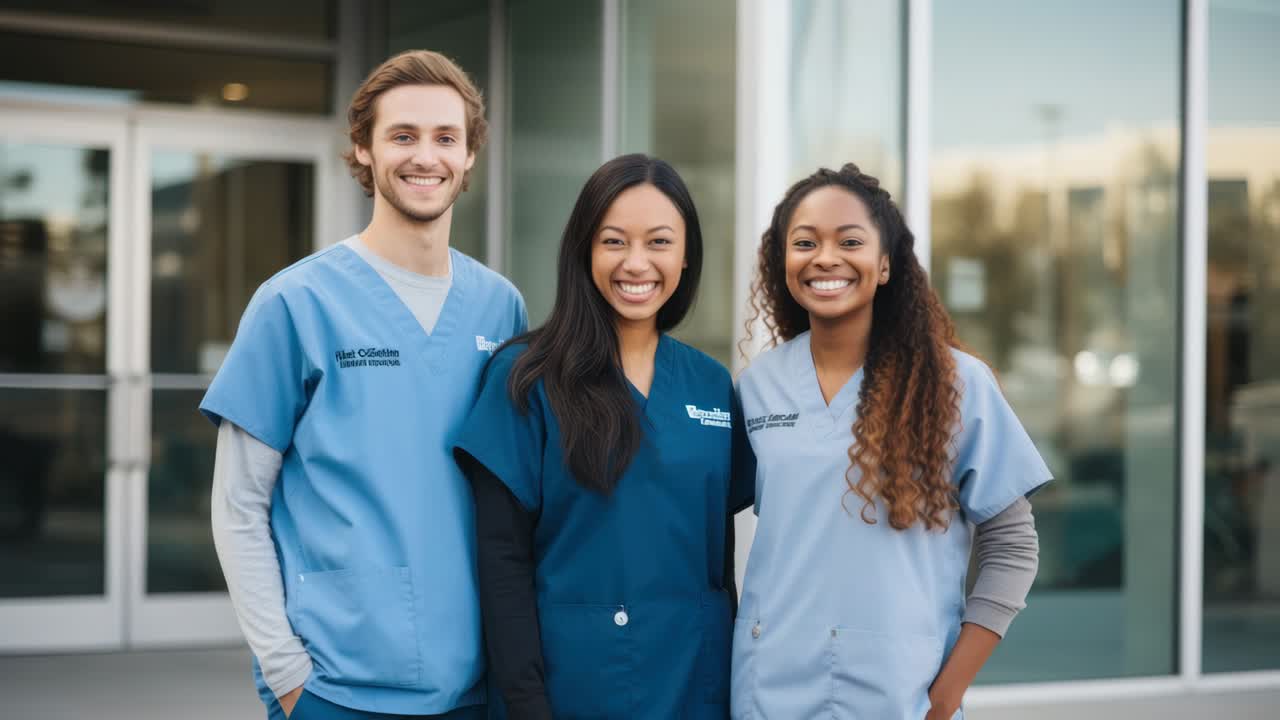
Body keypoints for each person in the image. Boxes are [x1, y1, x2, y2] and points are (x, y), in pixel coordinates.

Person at [200, 50, 526, 720]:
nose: (424, 156)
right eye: (402, 136)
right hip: (335, 686)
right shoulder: (296, 303)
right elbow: (238, 505)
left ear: (469, 157)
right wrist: (287, 673)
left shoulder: (501, 310)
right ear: (363, 149)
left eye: (445, 138)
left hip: (476, 683)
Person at [731, 163, 1049, 719]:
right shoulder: (759, 385)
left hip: (899, 695)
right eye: (804, 242)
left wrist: (950, 689)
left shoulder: (954, 384)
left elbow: (1013, 546)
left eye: (849, 241)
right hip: (770, 691)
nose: (825, 257)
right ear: (783, 263)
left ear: (884, 265)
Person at [453, 154, 752, 719]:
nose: (636, 263)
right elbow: (501, 564)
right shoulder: (525, 378)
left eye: (659, 242)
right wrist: (526, 704)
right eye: (614, 241)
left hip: (697, 687)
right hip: (573, 693)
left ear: (686, 257)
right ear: (584, 250)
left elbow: (718, 567)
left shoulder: (711, 385)